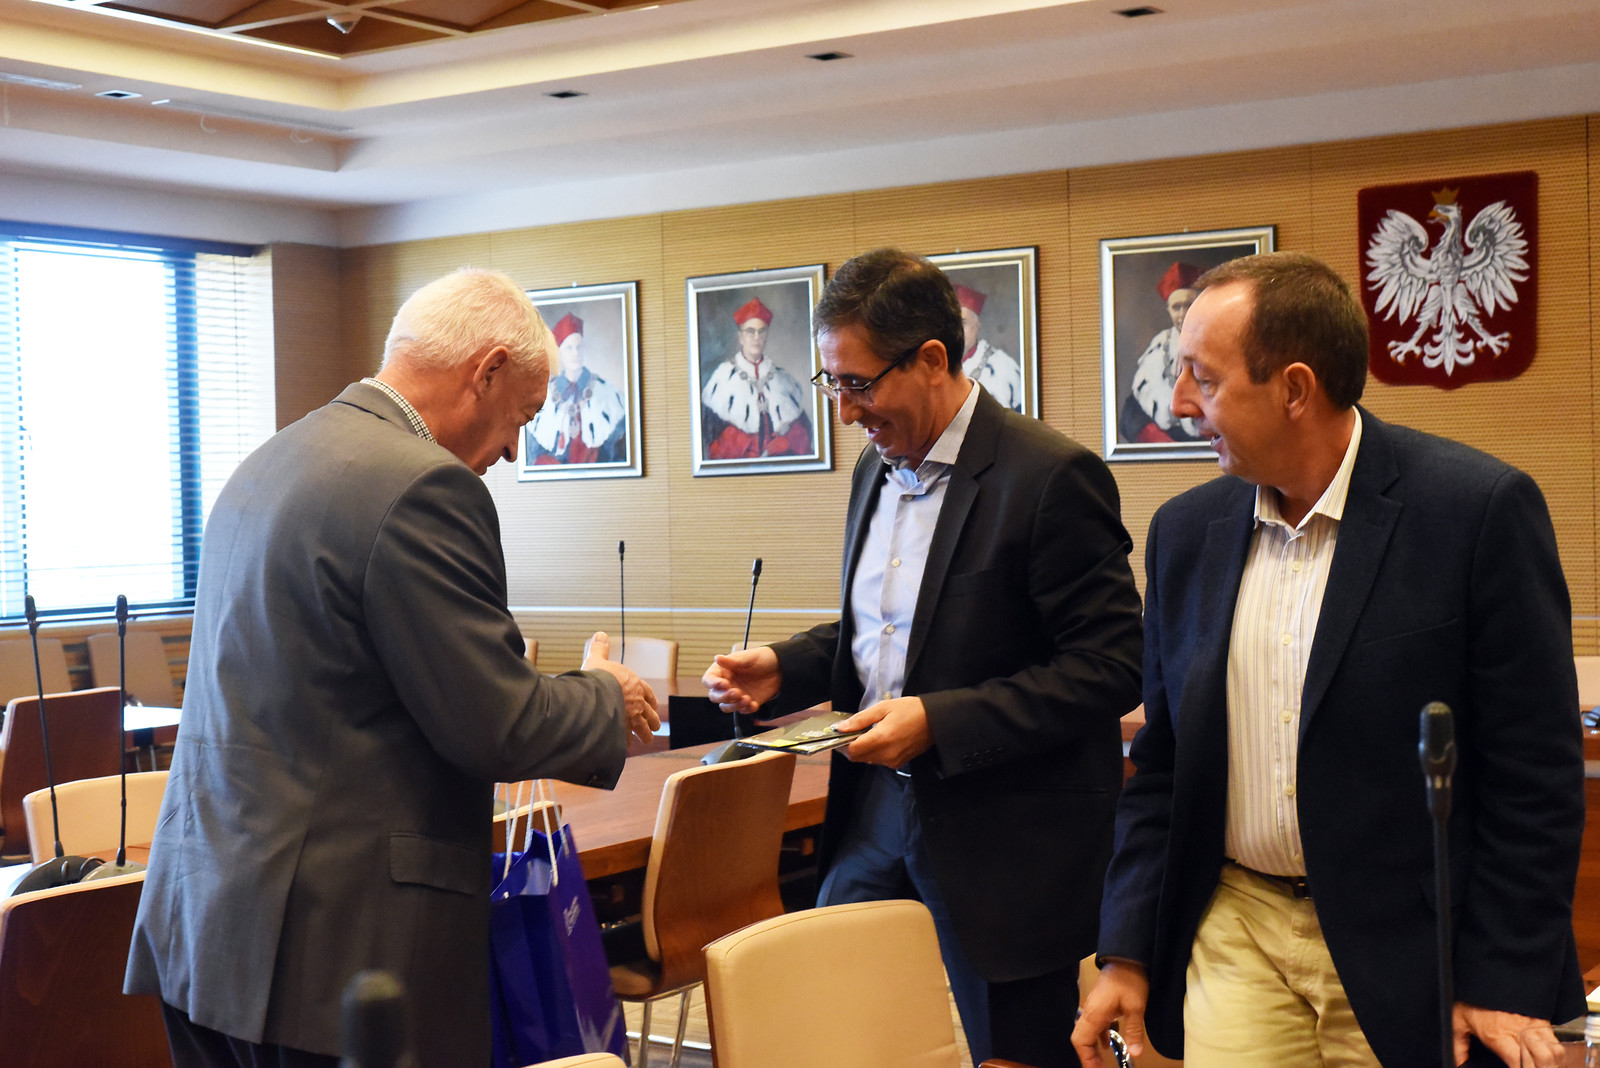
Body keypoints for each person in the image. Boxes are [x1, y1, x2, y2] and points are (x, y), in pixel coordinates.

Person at [124, 268, 661, 1068]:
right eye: (523, 416)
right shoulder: (423, 486)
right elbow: (496, 724)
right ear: (487, 372)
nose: (514, 449)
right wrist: (603, 696)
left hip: (204, 932)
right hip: (333, 960)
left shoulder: (269, 460)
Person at [1072, 252, 1585, 1068]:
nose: (1178, 404)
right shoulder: (1183, 534)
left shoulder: (1476, 511)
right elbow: (1165, 766)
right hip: (1237, 930)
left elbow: (1537, 775)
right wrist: (1126, 951)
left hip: (1413, 947)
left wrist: (1502, 976)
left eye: (1204, 378)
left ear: (1295, 389)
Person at [704, 248, 1143, 1067]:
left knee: (1015, 1052)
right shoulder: (874, 468)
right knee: (837, 1035)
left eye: (859, 384)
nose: (845, 412)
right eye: (832, 384)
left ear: (933, 360)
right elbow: (894, 633)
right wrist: (788, 666)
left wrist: (941, 722)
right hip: (873, 813)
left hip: (1001, 838)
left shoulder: (1050, 477)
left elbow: (1112, 663)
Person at [700, 296, 814, 459]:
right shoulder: (723, 377)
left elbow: (804, 431)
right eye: (750, 331)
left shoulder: (783, 378)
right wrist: (745, 442)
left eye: (761, 331)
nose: (756, 337)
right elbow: (710, 436)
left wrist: (787, 441)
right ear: (740, 336)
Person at [526, 312, 627, 465]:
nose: (575, 353)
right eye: (569, 348)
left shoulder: (605, 392)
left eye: (579, 347)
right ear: (559, 353)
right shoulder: (545, 396)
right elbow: (534, 457)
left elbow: (616, 452)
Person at [1119, 261, 1202, 443]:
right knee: (1131, 412)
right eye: (1176, 307)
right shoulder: (1163, 342)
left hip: (1202, 423)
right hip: (1170, 422)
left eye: (1189, 305)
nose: (1183, 314)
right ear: (1168, 310)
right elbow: (1150, 383)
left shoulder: (1213, 341)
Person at [954, 282, 1024, 412]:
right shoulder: (931, 367)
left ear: (977, 325)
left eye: (963, 323)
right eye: (951, 324)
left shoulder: (1003, 367)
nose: (955, 331)